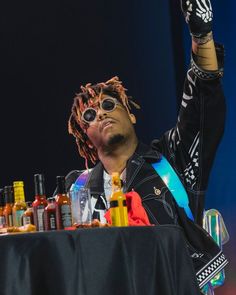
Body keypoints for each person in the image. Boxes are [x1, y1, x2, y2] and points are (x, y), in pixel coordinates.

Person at [66, 0, 228, 290]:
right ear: (85, 135)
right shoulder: (75, 192)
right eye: (89, 115)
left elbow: (203, 106)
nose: (100, 113)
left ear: (130, 113)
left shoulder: (171, 158)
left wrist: (201, 35)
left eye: (108, 104)